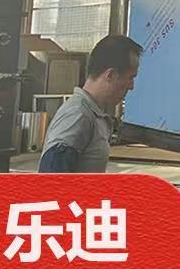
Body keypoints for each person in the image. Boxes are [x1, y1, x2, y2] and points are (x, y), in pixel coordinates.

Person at [38, 35, 142, 173]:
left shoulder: (94, 114)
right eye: (130, 78)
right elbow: (51, 176)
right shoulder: (78, 115)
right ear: (110, 75)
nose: (131, 86)